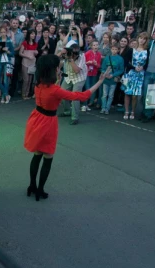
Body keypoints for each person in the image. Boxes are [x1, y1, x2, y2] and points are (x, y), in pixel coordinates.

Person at [24, 54, 109, 201]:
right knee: (48, 157)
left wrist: (57, 78)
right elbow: (82, 96)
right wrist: (100, 81)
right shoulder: (55, 90)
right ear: (53, 70)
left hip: (36, 118)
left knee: (37, 154)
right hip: (48, 122)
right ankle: (40, 189)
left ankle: (32, 186)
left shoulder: (38, 84)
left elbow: (52, 88)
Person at [123, 32, 150, 120]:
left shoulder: (147, 50)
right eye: (140, 38)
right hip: (131, 73)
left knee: (135, 95)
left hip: (140, 75)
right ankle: (126, 110)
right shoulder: (131, 50)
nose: (142, 40)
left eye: (144, 39)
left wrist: (142, 67)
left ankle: (133, 111)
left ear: (146, 40)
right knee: (127, 93)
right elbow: (126, 62)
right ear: (138, 38)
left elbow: (147, 63)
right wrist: (134, 67)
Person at [100, 44, 125, 114]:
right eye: (113, 49)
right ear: (111, 49)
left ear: (118, 50)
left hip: (113, 79)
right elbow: (103, 68)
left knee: (111, 95)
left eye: (116, 49)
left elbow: (121, 70)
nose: (114, 51)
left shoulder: (120, 59)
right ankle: (103, 107)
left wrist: (113, 75)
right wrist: (105, 73)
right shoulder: (107, 58)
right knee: (104, 94)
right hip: (106, 79)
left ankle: (107, 108)